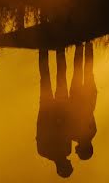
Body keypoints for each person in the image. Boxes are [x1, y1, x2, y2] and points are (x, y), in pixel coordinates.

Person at [37, 49, 74, 178]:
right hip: (46, 109)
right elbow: (39, 128)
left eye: (69, 164)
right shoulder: (43, 151)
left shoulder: (66, 150)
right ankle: (43, 52)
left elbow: (66, 129)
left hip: (59, 108)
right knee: (45, 78)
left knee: (61, 77)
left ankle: (60, 51)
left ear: (65, 164)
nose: (70, 161)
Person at [69, 42, 97, 161]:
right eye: (78, 151)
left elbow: (90, 115)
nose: (75, 150)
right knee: (78, 71)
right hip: (78, 100)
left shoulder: (93, 132)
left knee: (87, 70)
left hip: (90, 99)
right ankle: (80, 46)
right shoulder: (74, 135)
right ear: (83, 148)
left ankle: (88, 45)